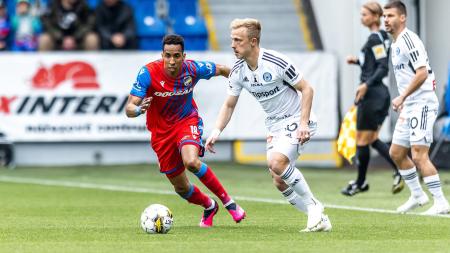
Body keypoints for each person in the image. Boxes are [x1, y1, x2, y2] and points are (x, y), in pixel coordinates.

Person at [205, 18, 331, 232]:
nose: (233, 45)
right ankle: (321, 219)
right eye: (232, 40)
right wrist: (216, 131)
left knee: (276, 162)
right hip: (275, 126)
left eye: (238, 40)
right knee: (278, 180)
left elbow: (307, 89)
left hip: (295, 118)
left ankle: (313, 206)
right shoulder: (238, 71)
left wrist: (303, 124)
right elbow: (229, 105)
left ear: (253, 41)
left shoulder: (276, 61)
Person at [125, 34, 246, 227]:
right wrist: (139, 109)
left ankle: (229, 203)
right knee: (181, 188)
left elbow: (223, 70)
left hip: (185, 121)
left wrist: (248, 82)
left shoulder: (193, 68)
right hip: (161, 133)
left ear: (184, 56)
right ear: (162, 55)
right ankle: (209, 205)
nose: (172, 61)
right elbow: (129, 108)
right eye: (167, 56)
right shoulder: (147, 73)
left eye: (176, 56)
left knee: (191, 162)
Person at [383, 1, 450, 214]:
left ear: (403, 17)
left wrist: (401, 96)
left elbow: (422, 72)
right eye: (384, 16)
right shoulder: (395, 44)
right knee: (396, 152)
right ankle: (418, 195)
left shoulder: (409, 40)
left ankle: (440, 202)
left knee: (419, 154)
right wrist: (405, 99)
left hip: (421, 104)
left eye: (391, 15)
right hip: (410, 104)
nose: (386, 20)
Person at [341, 1, 404, 196]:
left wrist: (365, 84)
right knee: (372, 139)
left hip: (373, 94)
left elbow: (383, 66)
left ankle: (362, 181)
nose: (362, 18)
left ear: (376, 17)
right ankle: (399, 170)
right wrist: (358, 61)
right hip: (378, 94)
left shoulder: (375, 38)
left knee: (362, 140)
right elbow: (374, 63)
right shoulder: (381, 37)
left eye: (365, 14)